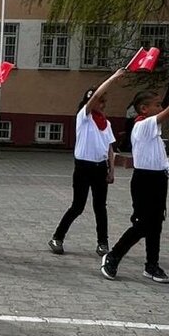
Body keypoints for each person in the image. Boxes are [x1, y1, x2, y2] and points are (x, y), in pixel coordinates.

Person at [101, 80, 169, 283]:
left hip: (158, 179)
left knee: (156, 225)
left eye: (160, 105)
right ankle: (113, 256)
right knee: (142, 224)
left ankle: (152, 265)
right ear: (144, 108)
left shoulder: (152, 128)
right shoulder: (142, 125)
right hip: (144, 180)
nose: (160, 108)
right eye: (156, 105)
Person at [50, 70, 121, 257]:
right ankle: (57, 237)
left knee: (100, 207)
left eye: (104, 101)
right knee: (78, 206)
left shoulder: (106, 123)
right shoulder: (84, 117)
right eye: (99, 101)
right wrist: (113, 78)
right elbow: (95, 95)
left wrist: (111, 170)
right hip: (83, 167)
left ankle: (103, 243)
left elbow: (110, 148)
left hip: (100, 168)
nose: (102, 104)